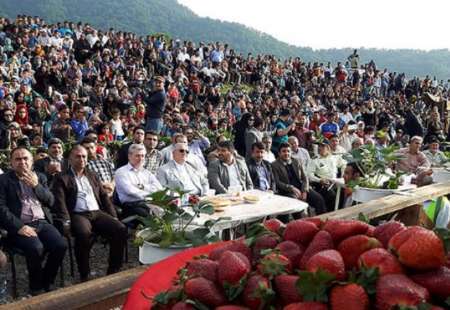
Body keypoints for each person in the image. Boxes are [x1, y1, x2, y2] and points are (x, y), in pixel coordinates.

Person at [52, 145, 127, 282]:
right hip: (77, 214)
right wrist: (66, 221)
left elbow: (104, 197)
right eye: (78, 156)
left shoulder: (92, 175)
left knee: (120, 229)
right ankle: (84, 273)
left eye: (84, 156)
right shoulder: (62, 177)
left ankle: (113, 269)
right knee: (83, 234)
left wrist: (114, 216)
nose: (81, 159)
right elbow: (60, 201)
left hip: (96, 212)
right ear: (70, 158)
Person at [0, 147, 67, 295]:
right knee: (36, 247)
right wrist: (19, 226)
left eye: (25, 159)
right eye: (17, 159)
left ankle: (47, 281)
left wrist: (36, 186)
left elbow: (51, 201)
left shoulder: (40, 177)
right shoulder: (3, 180)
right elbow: (1, 208)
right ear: (11, 163)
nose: (22, 162)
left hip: (41, 221)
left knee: (60, 245)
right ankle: (36, 287)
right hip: (19, 225)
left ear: (32, 162)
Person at [271, 143, 327, 215]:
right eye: (284, 151)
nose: (286, 153)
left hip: (302, 187)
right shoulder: (274, 165)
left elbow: (305, 177)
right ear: (279, 153)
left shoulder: (296, 161)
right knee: (298, 207)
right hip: (288, 191)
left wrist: (304, 190)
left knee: (319, 199)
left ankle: (322, 220)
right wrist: (291, 188)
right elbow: (277, 182)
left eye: (288, 151)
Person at [115, 143, 163, 217]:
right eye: (137, 156)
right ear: (129, 156)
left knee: (166, 212)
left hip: (149, 202)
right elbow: (131, 192)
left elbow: (159, 188)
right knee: (150, 217)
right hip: (131, 205)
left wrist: (143, 186)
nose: (141, 159)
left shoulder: (146, 172)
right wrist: (150, 192)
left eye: (143, 156)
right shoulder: (121, 172)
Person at [307, 141, 345, 212]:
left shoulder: (334, 158)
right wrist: (319, 180)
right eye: (319, 147)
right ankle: (330, 214)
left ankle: (339, 212)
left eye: (322, 146)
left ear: (328, 148)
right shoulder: (315, 160)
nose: (320, 148)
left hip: (336, 182)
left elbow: (344, 164)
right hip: (323, 184)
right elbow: (309, 175)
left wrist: (343, 174)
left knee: (343, 193)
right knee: (332, 195)